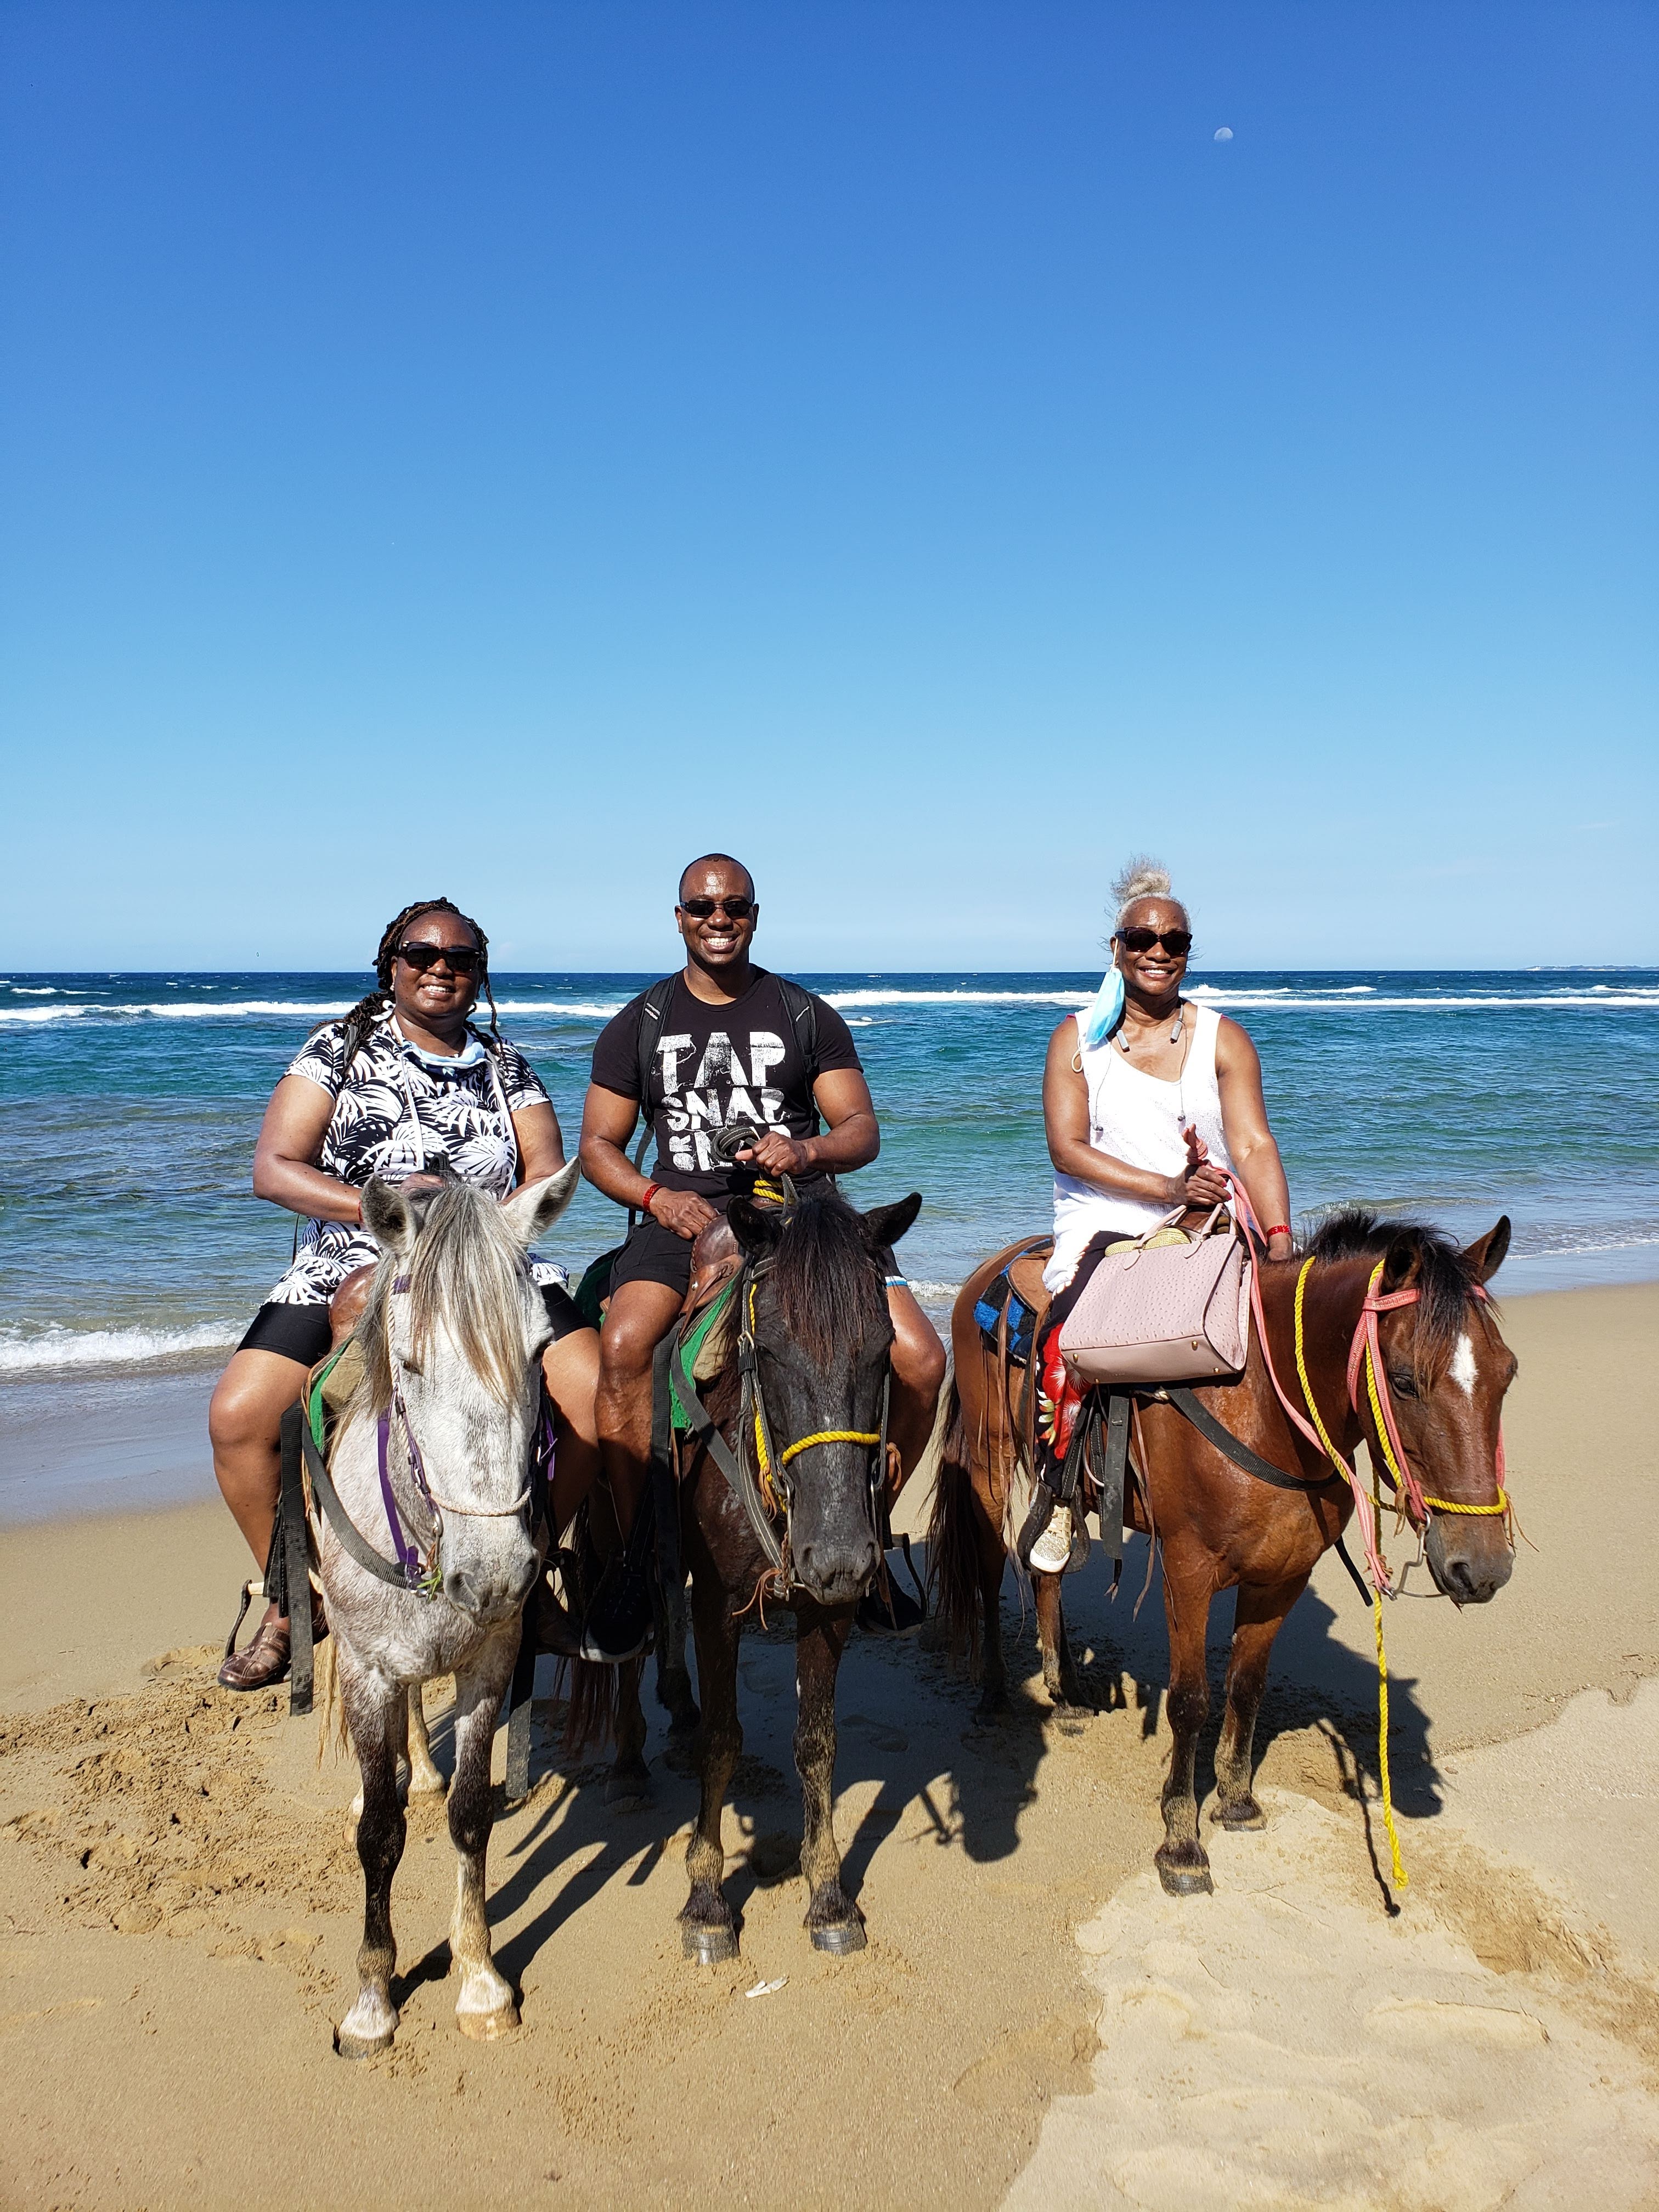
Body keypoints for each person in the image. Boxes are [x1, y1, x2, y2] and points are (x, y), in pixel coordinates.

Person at [208, 897, 601, 1689]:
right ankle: (295, 1597)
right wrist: (381, 1202)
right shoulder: (338, 1052)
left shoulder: (506, 1067)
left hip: (486, 1264)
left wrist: (480, 1223)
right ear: (391, 963)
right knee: (239, 1418)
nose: (441, 969)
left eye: (460, 959)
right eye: (422, 954)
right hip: (351, 1254)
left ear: (478, 974)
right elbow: (274, 1168)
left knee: (595, 1397)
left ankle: (533, 1576)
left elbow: (546, 1171)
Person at [577, 853, 947, 1654]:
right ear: (678, 917)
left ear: (754, 914)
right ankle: (639, 1555)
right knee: (623, 1345)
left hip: (803, 1223)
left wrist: (805, 1155)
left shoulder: (803, 1013)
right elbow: (599, 1149)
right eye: (702, 907)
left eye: (734, 906)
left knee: (920, 1358)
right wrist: (655, 1198)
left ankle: (871, 1533)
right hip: (682, 1221)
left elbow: (861, 1131)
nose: (719, 919)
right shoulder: (638, 1023)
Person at [1032, 857, 1294, 1570]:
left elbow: (1252, 1142)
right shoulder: (1077, 1039)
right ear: (1114, 948)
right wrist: (1169, 1188)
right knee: (1068, 1338)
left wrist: (1278, 1239)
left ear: (1187, 954)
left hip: (1207, 1223)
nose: (1158, 952)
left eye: (1174, 942)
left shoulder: (1223, 1039)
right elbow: (1069, 1150)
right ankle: (1057, 1495)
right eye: (1141, 938)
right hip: (1105, 1222)